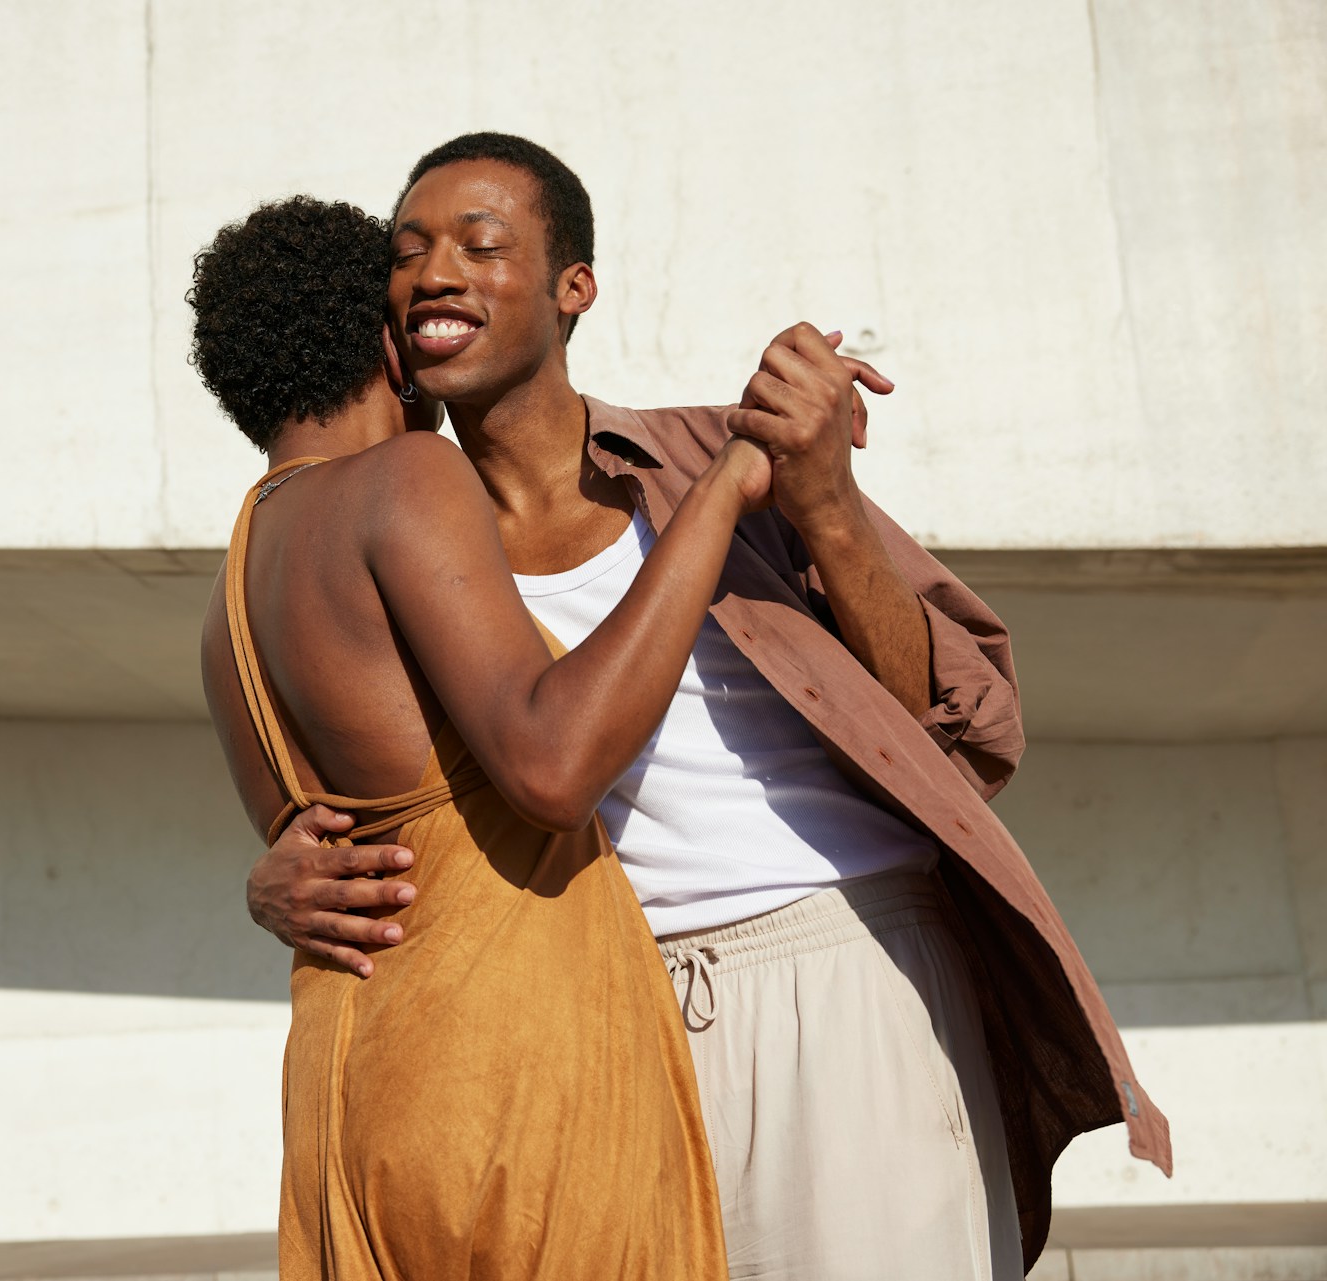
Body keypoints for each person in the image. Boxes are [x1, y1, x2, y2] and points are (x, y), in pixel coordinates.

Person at [241, 134, 1172, 1280]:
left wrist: (824, 503)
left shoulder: (706, 455)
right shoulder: (400, 534)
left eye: (480, 245)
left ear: (573, 287)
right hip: (599, 1027)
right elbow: (384, 775)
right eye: (409, 251)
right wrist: (278, 863)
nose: (436, 271)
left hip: (836, 967)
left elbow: (969, 726)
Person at [188, 195, 749, 1279]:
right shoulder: (403, 479)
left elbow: (315, 855)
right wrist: (719, 490)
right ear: (387, 342)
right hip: (495, 1074)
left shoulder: (230, 591)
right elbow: (551, 765)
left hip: (347, 1094)